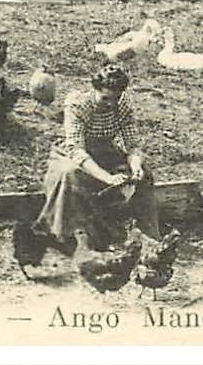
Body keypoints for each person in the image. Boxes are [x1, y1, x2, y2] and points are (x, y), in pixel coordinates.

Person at [34, 64, 159, 252]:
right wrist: (107, 178)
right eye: (105, 98)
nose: (110, 103)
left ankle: (146, 235)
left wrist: (136, 166)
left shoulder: (122, 106)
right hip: (71, 154)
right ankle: (65, 236)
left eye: (115, 98)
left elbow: (132, 145)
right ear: (95, 90)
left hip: (105, 152)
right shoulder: (78, 105)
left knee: (145, 175)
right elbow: (76, 150)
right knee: (70, 174)